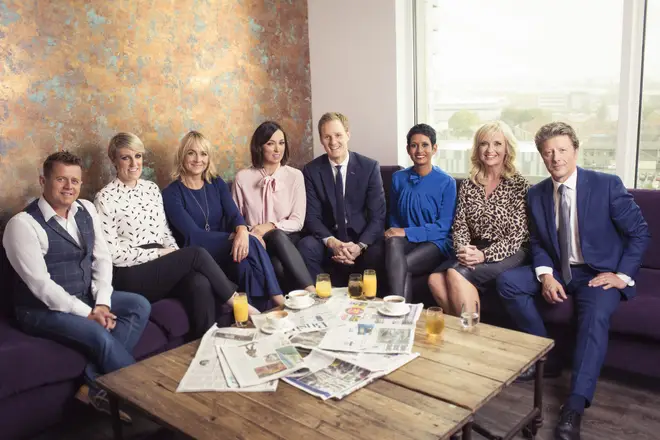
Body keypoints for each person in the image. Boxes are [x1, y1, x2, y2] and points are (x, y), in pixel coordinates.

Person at [496, 122, 650, 440]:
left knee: (594, 317)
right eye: (548, 152)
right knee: (507, 283)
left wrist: (621, 276)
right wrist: (546, 275)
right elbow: (538, 242)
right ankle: (546, 357)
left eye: (562, 150)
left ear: (575, 151)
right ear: (541, 156)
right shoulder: (537, 194)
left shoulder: (606, 185)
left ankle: (574, 406)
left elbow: (639, 232)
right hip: (560, 271)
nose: (556, 158)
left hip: (598, 274)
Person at [3, 151, 150, 419]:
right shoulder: (22, 225)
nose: (69, 187)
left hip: (83, 296)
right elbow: (41, 287)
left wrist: (103, 301)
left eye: (75, 181)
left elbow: (102, 258)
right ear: (43, 181)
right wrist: (90, 314)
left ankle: (92, 385)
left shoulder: (86, 209)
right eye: (61, 179)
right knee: (98, 335)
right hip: (38, 310)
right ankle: (152, 398)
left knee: (139, 305)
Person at [94, 133, 257, 339]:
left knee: (199, 281)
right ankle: (242, 306)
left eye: (138, 156)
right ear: (114, 160)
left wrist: (176, 257)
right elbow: (113, 254)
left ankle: (205, 341)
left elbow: (164, 233)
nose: (134, 163)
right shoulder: (105, 198)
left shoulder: (151, 189)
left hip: (159, 263)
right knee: (195, 254)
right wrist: (161, 254)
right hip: (129, 271)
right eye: (126, 157)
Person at [162, 131, 285, 309]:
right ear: (182, 156)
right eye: (191, 153)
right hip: (198, 255)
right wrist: (236, 237)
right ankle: (278, 299)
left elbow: (234, 215)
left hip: (227, 251)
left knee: (244, 264)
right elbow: (192, 235)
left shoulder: (216, 183)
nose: (198, 159)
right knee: (252, 241)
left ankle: (255, 316)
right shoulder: (171, 193)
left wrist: (242, 230)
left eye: (203, 154)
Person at [428, 121, 530, 316]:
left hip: (511, 251)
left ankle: (467, 336)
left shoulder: (519, 185)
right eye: (484, 143)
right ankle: (465, 332)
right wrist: (464, 249)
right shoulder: (469, 184)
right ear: (477, 148)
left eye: (497, 144)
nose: (490, 149)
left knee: (455, 274)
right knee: (435, 279)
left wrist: (484, 256)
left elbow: (516, 238)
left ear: (507, 148)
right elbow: (460, 226)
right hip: (475, 247)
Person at [297, 112, 386, 286]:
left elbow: (378, 217)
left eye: (338, 135)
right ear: (321, 140)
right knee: (306, 246)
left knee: (379, 251)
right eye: (327, 137)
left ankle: (370, 304)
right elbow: (312, 217)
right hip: (330, 238)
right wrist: (333, 243)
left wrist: (359, 246)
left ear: (348, 134)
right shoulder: (311, 170)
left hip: (360, 238)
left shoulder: (369, 167)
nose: (333, 142)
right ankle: (322, 300)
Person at [232, 121, 315, 293]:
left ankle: (311, 292)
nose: (278, 149)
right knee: (276, 265)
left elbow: (297, 221)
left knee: (276, 238)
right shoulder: (242, 178)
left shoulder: (295, 176)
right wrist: (254, 233)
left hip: (287, 239)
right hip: (256, 241)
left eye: (281, 143)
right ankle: (302, 298)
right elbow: (235, 218)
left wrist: (269, 226)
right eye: (270, 143)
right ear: (259, 147)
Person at [385, 123, 456, 302]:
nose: (419, 150)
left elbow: (444, 227)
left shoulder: (447, 182)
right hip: (407, 241)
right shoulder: (398, 178)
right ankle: (403, 314)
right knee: (392, 242)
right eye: (414, 145)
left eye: (425, 145)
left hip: (436, 242)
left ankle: (399, 311)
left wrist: (406, 232)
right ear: (408, 149)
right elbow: (393, 215)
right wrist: (396, 231)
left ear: (434, 148)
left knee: (403, 265)